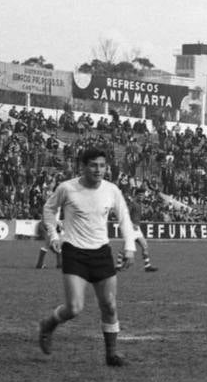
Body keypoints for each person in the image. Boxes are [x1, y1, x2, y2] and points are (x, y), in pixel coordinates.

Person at [37, 145, 138, 366]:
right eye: (93, 165)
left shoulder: (112, 190)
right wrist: (54, 235)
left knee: (110, 305)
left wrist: (130, 246)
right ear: (83, 167)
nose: (98, 170)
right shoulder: (67, 188)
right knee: (74, 308)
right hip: (74, 251)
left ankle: (111, 354)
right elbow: (49, 209)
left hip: (101, 252)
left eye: (102, 165)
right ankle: (48, 324)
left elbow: (124, 218)